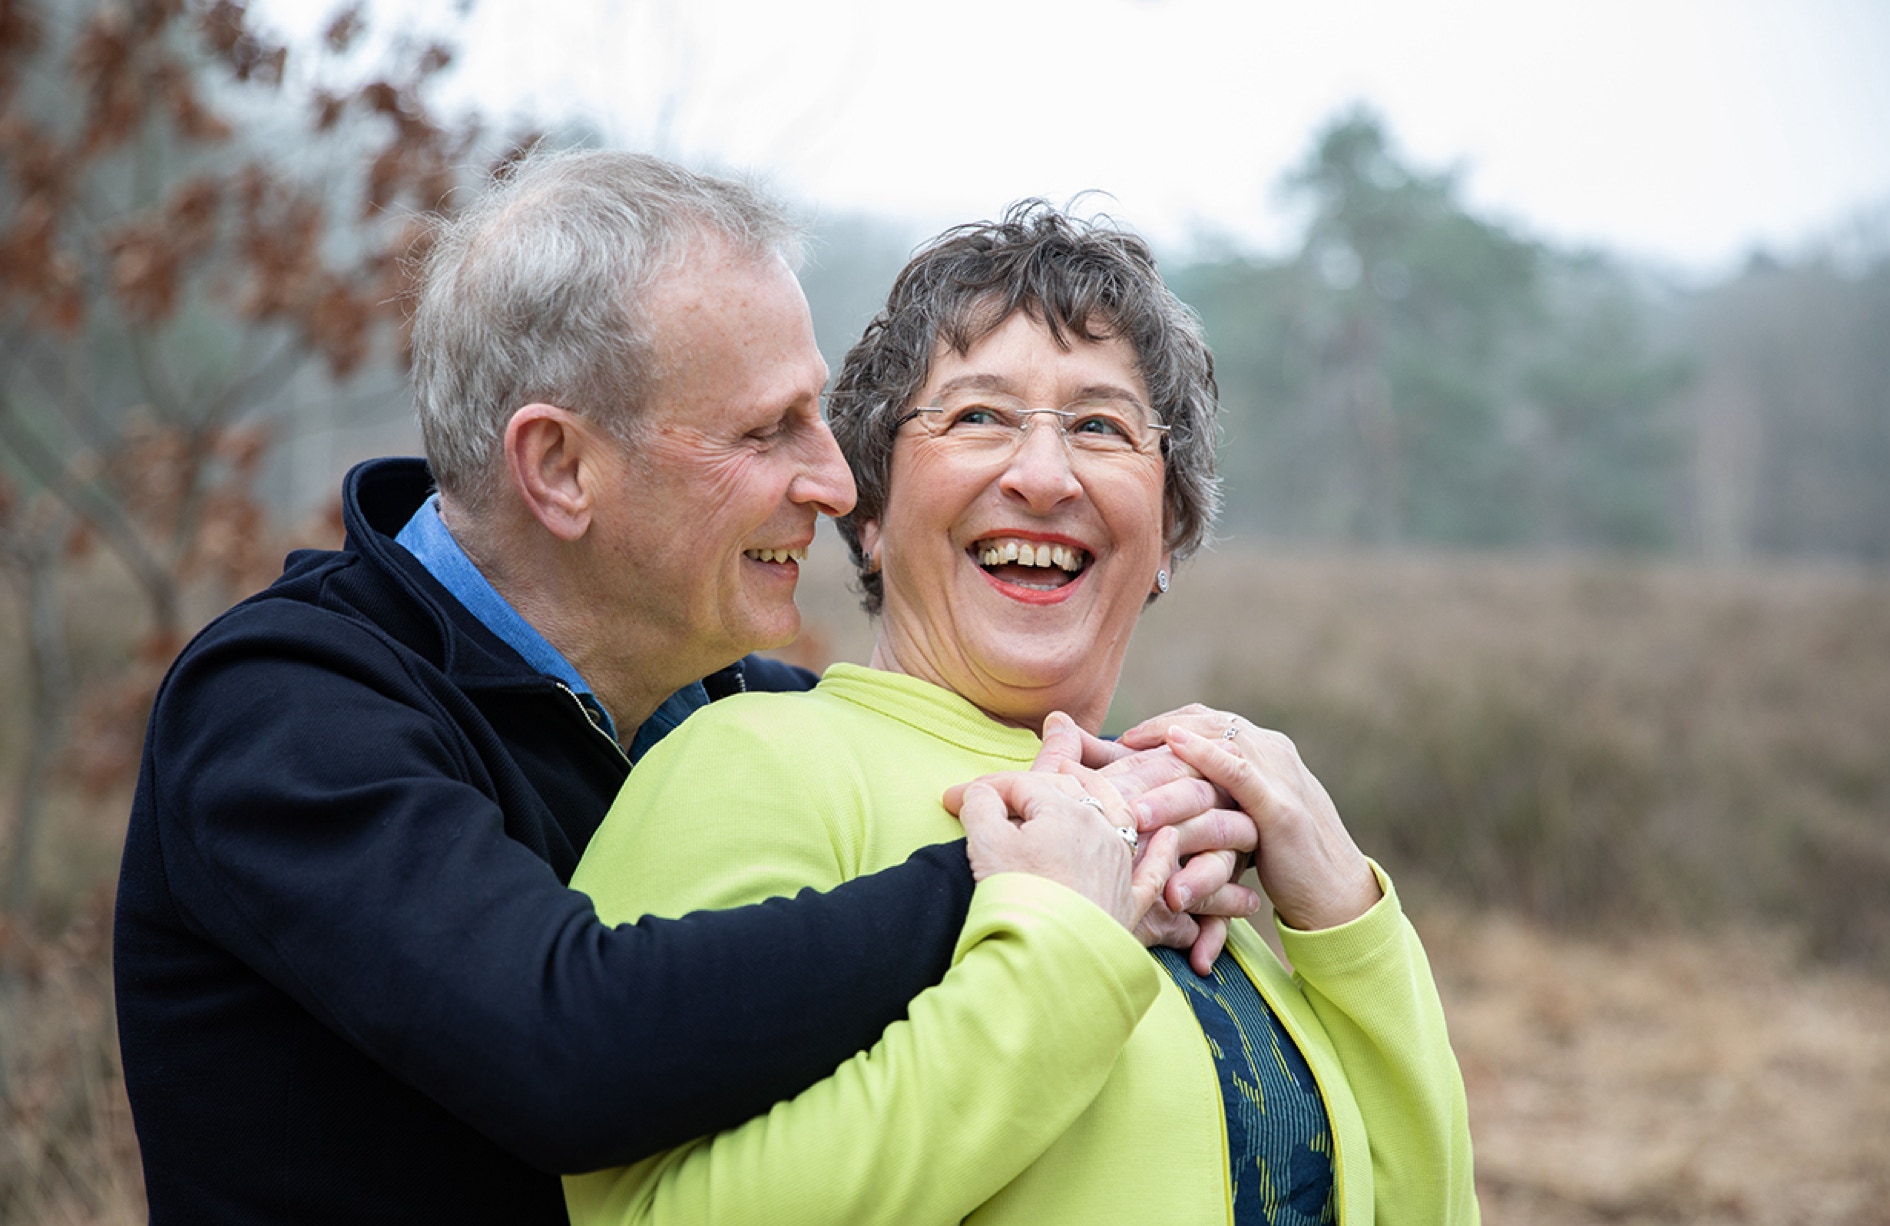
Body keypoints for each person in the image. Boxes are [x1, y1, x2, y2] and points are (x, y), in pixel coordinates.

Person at [112, 152, 1248, 1224]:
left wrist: (1155, 814)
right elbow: (562, 1044)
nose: (835, 476)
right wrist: (1005, 883)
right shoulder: (286, 707)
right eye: (769, 430)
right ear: (561, 467)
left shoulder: (733, 706)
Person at [564, 203, 1480, 1224]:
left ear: (1170, 526)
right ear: (867, 512)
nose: (1043, 476)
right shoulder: (750, 765)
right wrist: (1059, 961)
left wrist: (1347, 918)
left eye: (1100, 425)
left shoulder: (1199, 845)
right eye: (977, 416)